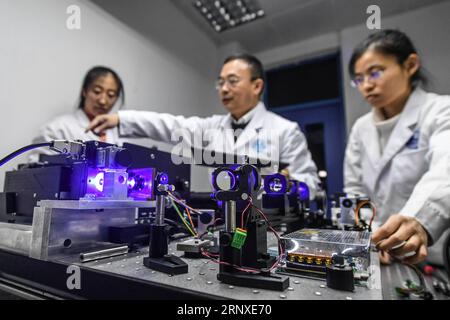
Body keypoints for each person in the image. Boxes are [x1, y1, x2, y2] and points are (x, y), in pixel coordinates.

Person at [86, 54, 320, 197]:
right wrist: (121, 119)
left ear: (257, 86)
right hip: (221, 225)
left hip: (270, 230)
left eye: (232, 81)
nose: (224, 89)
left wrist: (285, 182)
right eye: (221, 83)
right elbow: (170, 125)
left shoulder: (285, 130)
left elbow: (311, 185)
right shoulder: (212, 127)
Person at [344, 29, 450, 264]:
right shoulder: (361, 128)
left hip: (432, 255)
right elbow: (354, 190)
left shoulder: (441, 111)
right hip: (378, 252)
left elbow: (446, 169)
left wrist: (418, 219)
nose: (366, 86)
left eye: (375, 73)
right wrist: (371, 234)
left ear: (410, 65)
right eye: (359, 79)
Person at [30, 66, 125, 160]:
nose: (103, 101)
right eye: (97, 92)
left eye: (111, 95)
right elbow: (37, 170)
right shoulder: (57, 128)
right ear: (84, 91)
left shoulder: (119, 134)